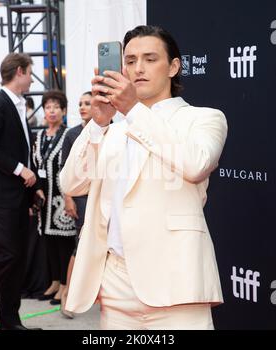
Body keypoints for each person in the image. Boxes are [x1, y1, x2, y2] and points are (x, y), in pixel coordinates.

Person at [60, 25, 228, 330]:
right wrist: (97, 125)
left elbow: (195, 164)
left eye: (150, 59)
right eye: (131, 60)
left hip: (178, 281)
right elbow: (71, 183)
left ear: (174, 67)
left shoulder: (204, 118)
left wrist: (133, 110)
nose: (138, 68)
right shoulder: (114, 128)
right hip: (116, 285)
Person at [0, 52, 44, 331]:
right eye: (30, 72)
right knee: (6, 254)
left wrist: (34, 188)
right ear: (19, 71)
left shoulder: (19, 104)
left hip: (18, 196)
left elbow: (22, 151)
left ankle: (9, 319)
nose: (32, 78)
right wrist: (21, 170)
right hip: (0, 196)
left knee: (16, 258)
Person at [34, 90, 76, 305]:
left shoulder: (68, 135)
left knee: (63, 242)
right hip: (43, 197)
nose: (51, 111)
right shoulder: (39, 136)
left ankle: (65, 286)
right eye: (48, 107)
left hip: (61, 197)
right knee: (48, 242)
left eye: (56, 107)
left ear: (64, 111)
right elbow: (35, 165)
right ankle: (53, 282)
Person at [60, 91, 92, 318]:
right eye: (80, 104)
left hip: (104, 196)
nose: (82, 107)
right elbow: (65, 170)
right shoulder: (73, 134)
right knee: (79, 244)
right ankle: (68, 295)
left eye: (87, 103)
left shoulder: (116, 130)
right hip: (80, 197)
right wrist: (68, 198)